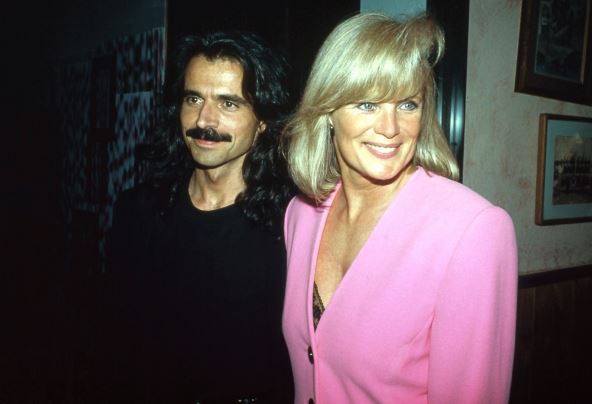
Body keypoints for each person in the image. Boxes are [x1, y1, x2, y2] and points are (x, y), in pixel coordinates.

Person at [281, 13, 518, 404]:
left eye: (408, 104)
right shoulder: (301, 215)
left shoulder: (473, 230)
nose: (390, 128)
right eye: (367, 104)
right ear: (327, 112)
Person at [104, 31, 295, 403]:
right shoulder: (136, 212)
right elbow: (115, 340)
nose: (205, 119)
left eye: (229, 103)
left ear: (262, 121)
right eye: (193, 98)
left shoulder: (290, 227)